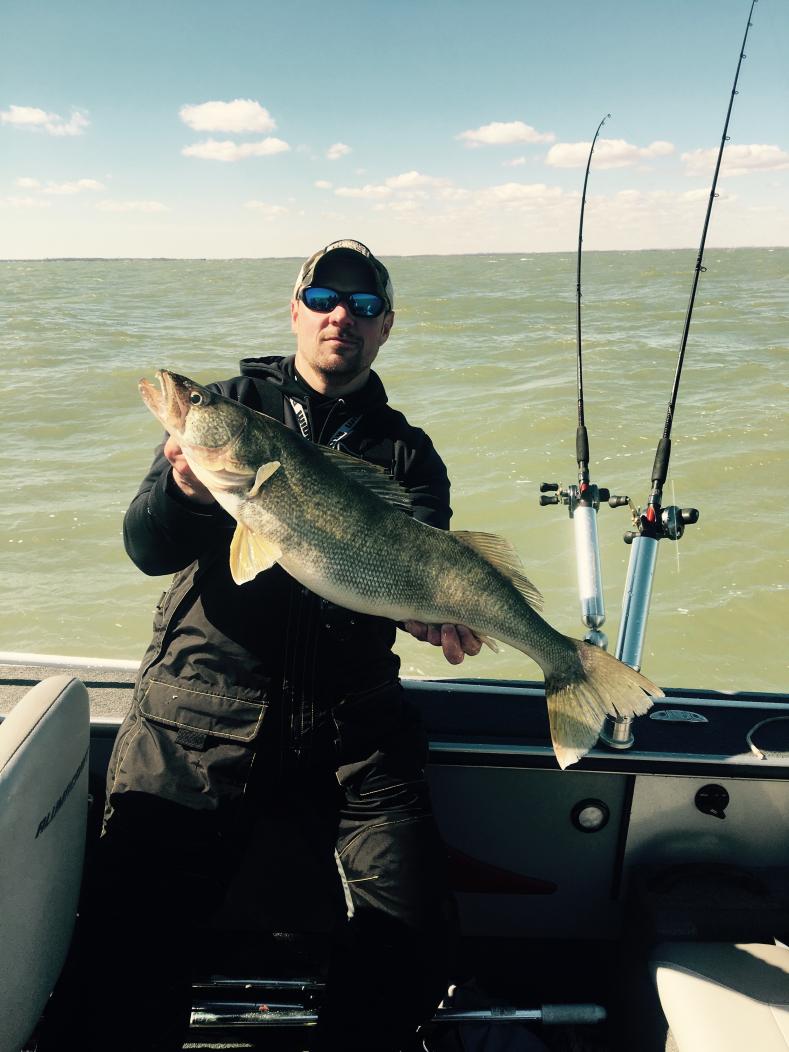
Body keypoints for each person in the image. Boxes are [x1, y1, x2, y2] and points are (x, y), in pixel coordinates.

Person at [42, 240, 481, 1052]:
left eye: (364, 305)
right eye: (322, 298)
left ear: (385, 328)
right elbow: (146, 548)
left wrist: (430, 612)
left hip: (354, 730)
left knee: (414, 939)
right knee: (125, 950)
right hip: (198, 715)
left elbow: (416, 559)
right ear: (295, 311)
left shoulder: (407, 451)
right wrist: (184, 488)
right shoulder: (230, 410)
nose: (341, 315)